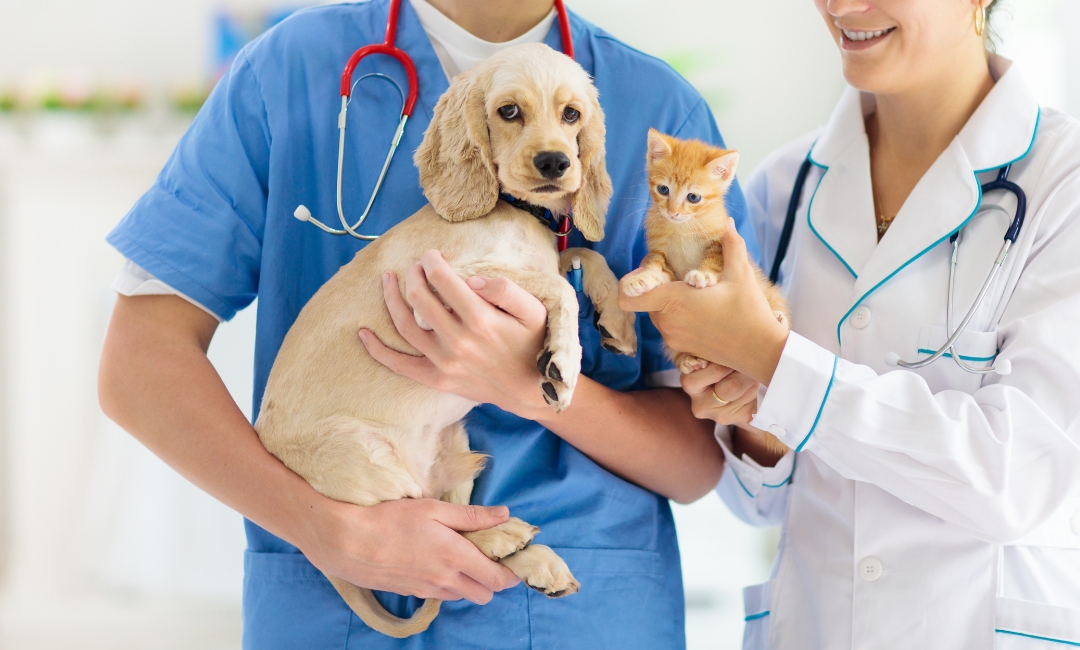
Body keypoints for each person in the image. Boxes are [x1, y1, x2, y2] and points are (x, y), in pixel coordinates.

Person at [97, 0, 756, 647]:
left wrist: (536, 389)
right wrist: (322, 526)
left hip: (574, 612)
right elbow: (138, 364)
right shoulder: (286, 73)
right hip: (332, 611)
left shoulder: (660, 111)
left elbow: (699, 462)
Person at [621, 0, 1080, 647]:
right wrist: (749, 417)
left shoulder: (1065, 185)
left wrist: (776, 362)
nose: (842, 6)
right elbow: (758, 501)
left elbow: (1019, 479)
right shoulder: (784, 187)